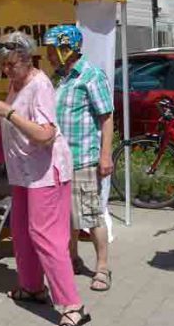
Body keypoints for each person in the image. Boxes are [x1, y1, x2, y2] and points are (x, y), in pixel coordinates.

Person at [0, 31, 89, 326]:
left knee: (46, 236)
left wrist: (8, 115)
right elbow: (17, 117)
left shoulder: (40, 84)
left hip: (46, 172)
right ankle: (32, 287)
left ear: (27, 59)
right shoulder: (17, 82)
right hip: (24, 172)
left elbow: (45, 134)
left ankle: (72, 304)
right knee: (21, 233)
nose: (6, 70)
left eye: (10, 64)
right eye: (2, 65)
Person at [44, 25, 114, 292]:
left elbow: (106, 117)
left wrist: (105, 156)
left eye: (53, 49)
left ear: (67, 49)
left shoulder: (90, 75)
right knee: (67, 216)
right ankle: (72, 259)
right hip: (60, 160)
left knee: (91, 215)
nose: (49, 55)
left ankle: (103, 268)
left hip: (84, 158)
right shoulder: (59, 77)